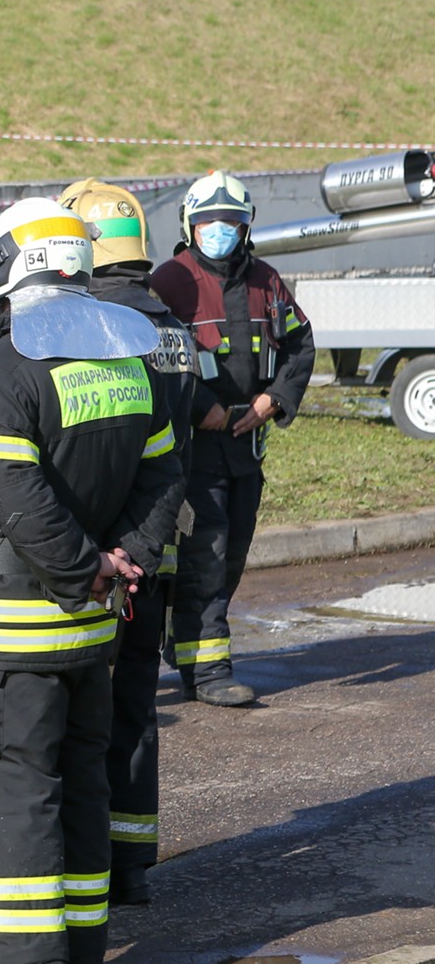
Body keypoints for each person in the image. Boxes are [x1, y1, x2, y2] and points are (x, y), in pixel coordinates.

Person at [0, 198, 183, 964]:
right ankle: (77, 959)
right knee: (78, 789)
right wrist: (119, 562)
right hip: (91, 631)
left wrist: (80, 567)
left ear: (7, 268)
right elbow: (165, 477)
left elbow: (11, 496)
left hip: (10, 634)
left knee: (9, 794)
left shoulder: (5, 369)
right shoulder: (126, 362)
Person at [58, 177, 197, 908]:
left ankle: (85, 866)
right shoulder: (171, 322)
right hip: (158, 547)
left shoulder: (96, 324)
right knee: (138, 702)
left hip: (101, 562)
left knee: (85, 713)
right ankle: (133, 859)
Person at [150, 171, 315, 708]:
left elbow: (299, 344)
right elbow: (155, 357)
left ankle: (188, 644)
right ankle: (210, 670)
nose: (219, 231)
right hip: (194, 448)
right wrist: (204, 409)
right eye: (207, 222)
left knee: (233, 553)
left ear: (246, 227)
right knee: (206, 550)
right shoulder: (170, 282)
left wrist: (274, 400)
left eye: (230, 222)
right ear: (189, 225)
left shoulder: (267, 281)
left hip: (246, 445)